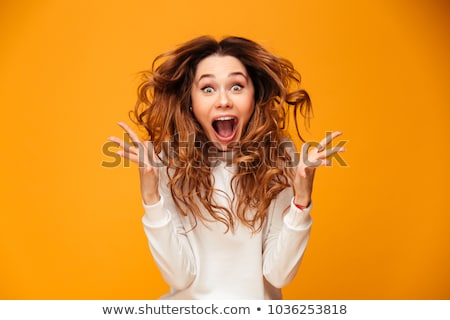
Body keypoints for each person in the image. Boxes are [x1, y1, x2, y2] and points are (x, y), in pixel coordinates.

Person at [108, 35, 344, 299]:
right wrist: (151, 198)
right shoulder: (168, 164)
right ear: (191, 101)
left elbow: (279, 275)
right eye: (208, 88)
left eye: (236, 86)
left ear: (255, 96)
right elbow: (178, 276)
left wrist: (301, 201)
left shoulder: (279, 160)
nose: (223, 101)